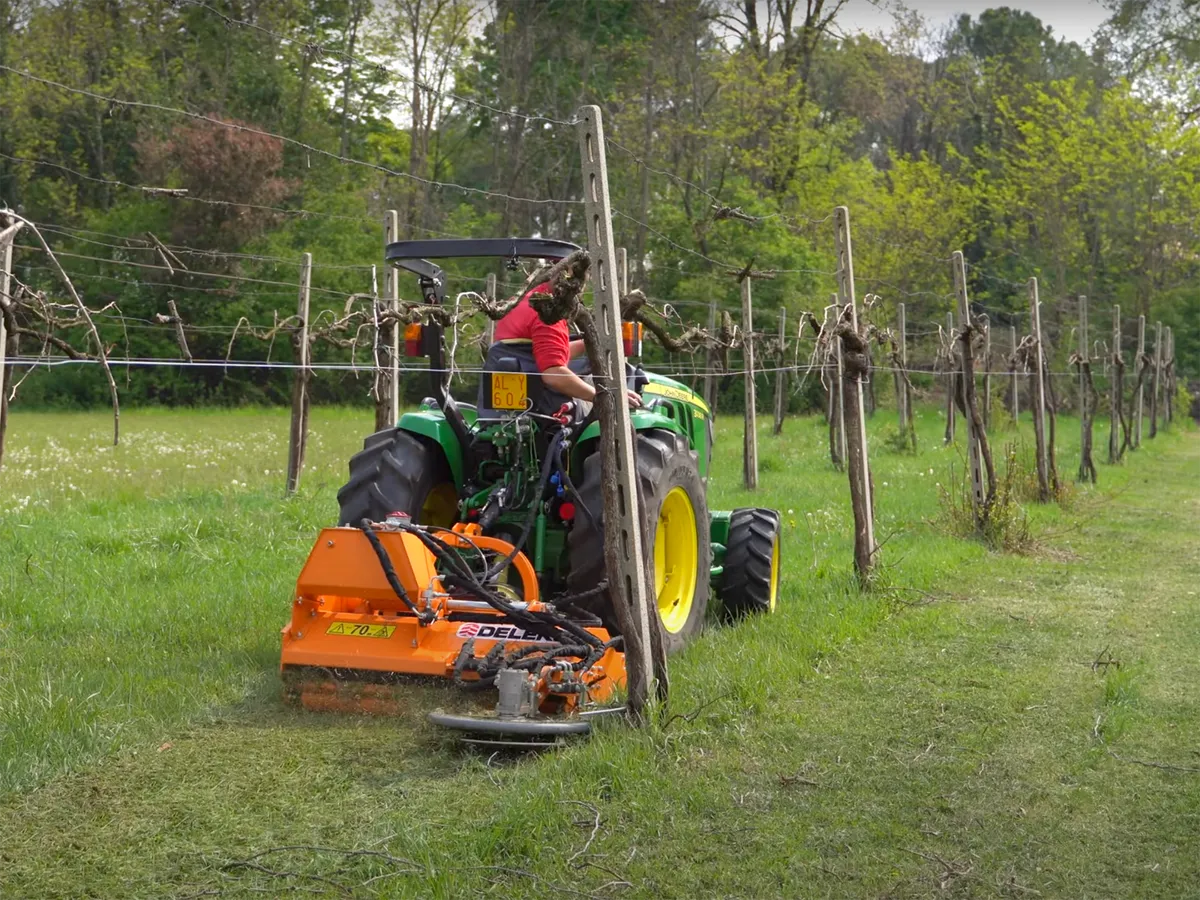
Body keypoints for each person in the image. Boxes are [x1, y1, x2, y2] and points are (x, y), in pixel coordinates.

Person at [489, 280, 641, 409]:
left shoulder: (520, 302)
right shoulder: (549, 314)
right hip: (542, 404)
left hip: (504, 404)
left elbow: (541, 355)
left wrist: (591, 343)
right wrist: (604, 396)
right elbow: (553, 374)